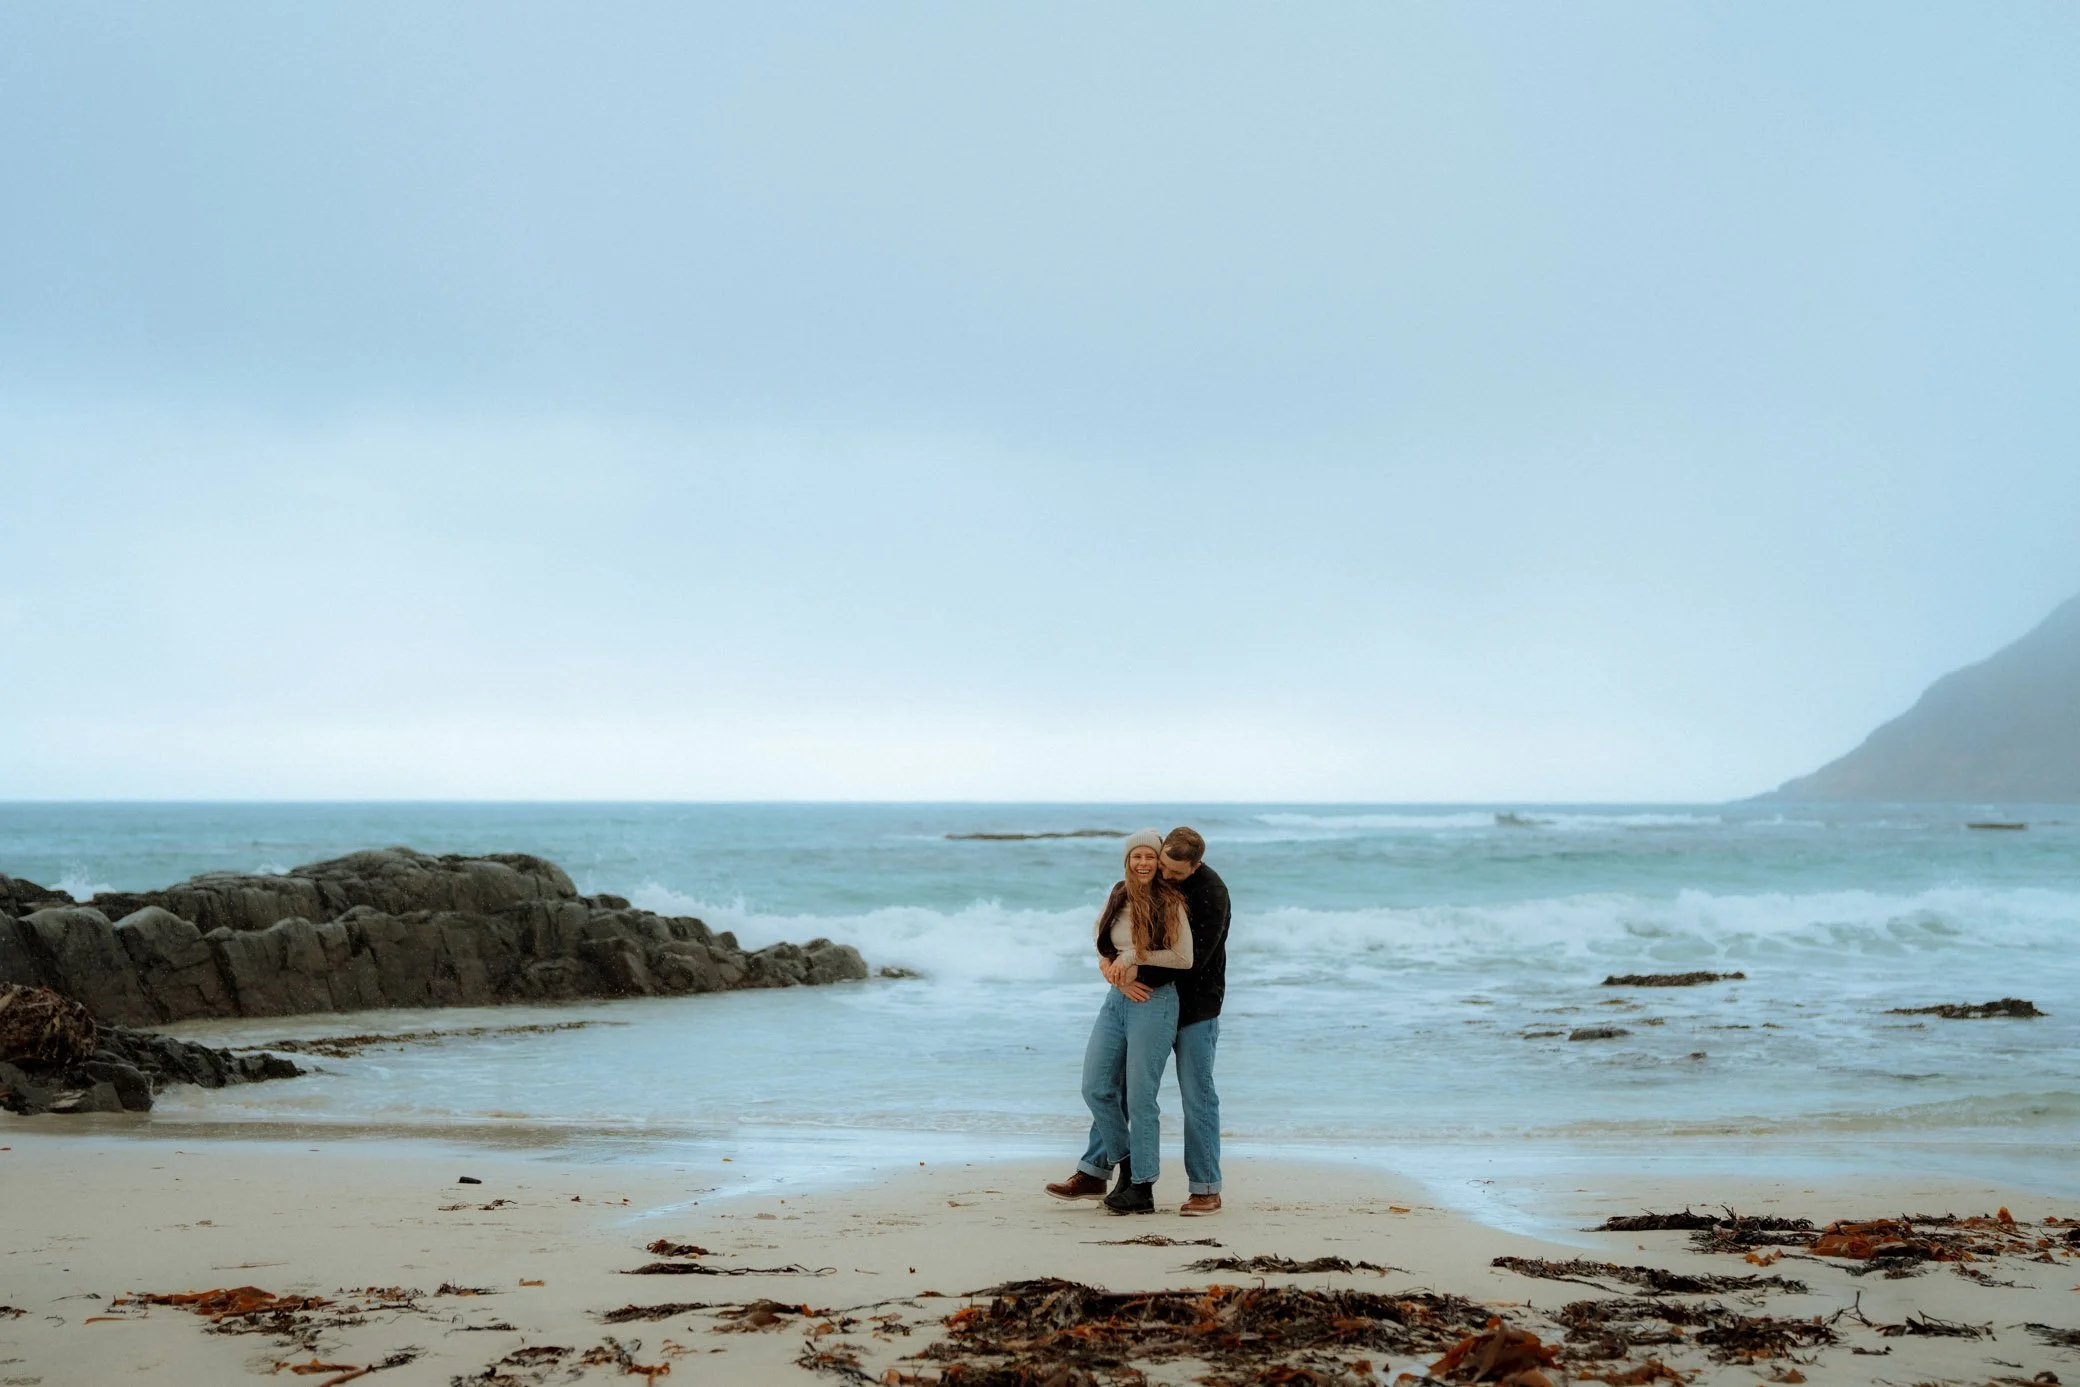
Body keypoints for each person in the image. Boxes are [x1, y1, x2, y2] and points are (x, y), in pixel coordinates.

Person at [1044, 828, 1193, 1215]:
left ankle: (1142, 1188)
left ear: (1158, 862)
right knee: (1095, 1086)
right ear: (1127, 861)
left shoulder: (1170, 900)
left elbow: (1183, 957)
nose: (1142, 863)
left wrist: (1133, 959)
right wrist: (1109, 965)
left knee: (1141, 1098)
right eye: (1135, 857)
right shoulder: (1118, 894)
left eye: (1149, 857)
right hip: (1118, 1000)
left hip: (1155, 1002)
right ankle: (1126, 1164)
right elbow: (1103, 939)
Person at [1140, 826, 1229, 1216]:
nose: (1166, 876)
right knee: (1129, 1087)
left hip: (1196, 1005)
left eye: (1176, 872)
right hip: (1153, 1000)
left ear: (1196, 865)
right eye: (1163, 867)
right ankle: (1095, 1171)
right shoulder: (1153, 879)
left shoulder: (1212, 892)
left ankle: (1206, 1188)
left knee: (1198, 1096)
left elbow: (1195, 960)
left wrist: (1136, 978)